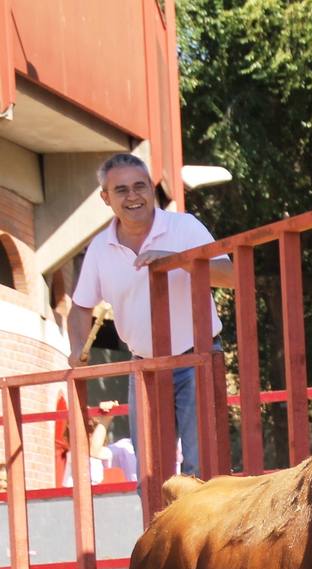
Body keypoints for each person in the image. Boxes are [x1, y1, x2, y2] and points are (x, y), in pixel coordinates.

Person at [68, 153, 234, 478]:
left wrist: (179, 260)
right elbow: (81, 305)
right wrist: (76, 348)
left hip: (196, 357)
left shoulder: (183, 227)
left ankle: (199, 530)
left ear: (151, 190)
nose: (133, 196)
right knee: (150, 474)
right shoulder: (101, 247)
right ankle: (159, 530)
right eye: (121, 190)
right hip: (144, 367)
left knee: (201, 469)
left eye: (140, 186)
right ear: (106, 198)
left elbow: (231, 275)